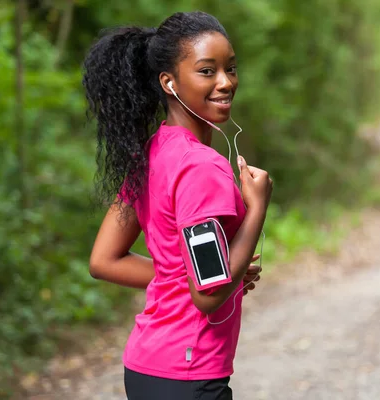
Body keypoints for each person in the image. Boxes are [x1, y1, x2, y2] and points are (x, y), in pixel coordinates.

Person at [82, 11, 272, 399]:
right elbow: (208, 295)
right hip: (188, 374)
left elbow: (104, 260)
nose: (225, 82)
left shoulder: (154, 152)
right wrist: (257, 209)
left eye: (231, 68)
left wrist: (220, 275)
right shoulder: (202, 168)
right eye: (207, 71)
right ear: (169, 82)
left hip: (146, 368)